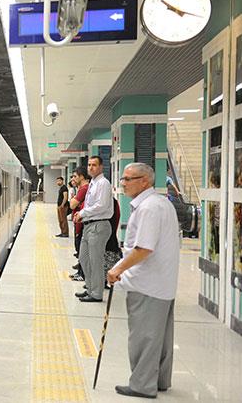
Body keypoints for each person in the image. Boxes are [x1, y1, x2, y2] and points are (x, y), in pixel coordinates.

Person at [107, 163, 180, 399]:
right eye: (123, 179)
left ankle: (142, 385)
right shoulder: (161, 203)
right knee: (160, 337)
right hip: (162, 283)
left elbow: (143, 249)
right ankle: (159, 381)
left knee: (144, 337)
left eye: (129, 179)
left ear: (145, 182)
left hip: (147, 283)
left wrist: (116, 269)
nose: (123, 183)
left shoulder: (148, 208)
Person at [73, 156, 113, 302]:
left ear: (101, 167)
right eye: (89, 165)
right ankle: (90, 288)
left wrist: (82, 212)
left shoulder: (103, 183)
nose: (91, 167)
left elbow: (101, 206)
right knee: (84, 258)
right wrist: (81, 214)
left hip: (99, 225)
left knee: (95, 262)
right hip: (88, 225)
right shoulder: (93, 183)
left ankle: (96, 294)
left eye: (94, 165)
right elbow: (90, 205)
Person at [68, 167, 90, 281]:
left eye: (75, 176)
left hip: (82, 224)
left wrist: (74, 200)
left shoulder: (84, 189)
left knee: (82, 250)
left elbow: (72, 204)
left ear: (82, 176)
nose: (73, 179)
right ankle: (80, 272)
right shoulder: (82, 188)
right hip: (79, 223)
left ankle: (82, 274)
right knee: (80, 250)